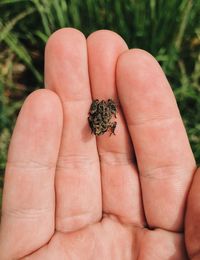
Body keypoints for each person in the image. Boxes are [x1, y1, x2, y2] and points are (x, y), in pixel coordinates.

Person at [0, 28, 199, 260]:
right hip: (101, 112)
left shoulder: (102, 124)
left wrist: (107, 123)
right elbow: (95, 119)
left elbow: (103, 121)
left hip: (103, 112)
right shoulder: (97, 124)